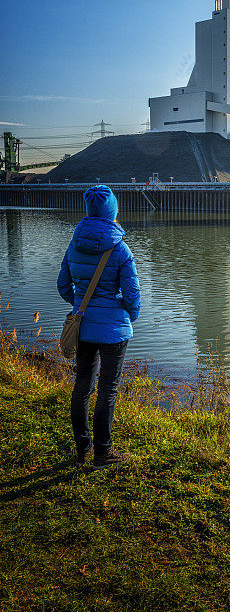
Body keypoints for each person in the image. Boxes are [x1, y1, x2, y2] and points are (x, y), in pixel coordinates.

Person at [57, 185, 141, 469]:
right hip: (113, 330)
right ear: (113, 211)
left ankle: (82, 450)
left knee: (81, 387)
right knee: (108, 389)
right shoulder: (120, 247)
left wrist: (81, 305)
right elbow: (132, 294)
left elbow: (62, 285)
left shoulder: (74, 243)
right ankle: (103, 453)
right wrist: (129, 315)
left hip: (83, 327)